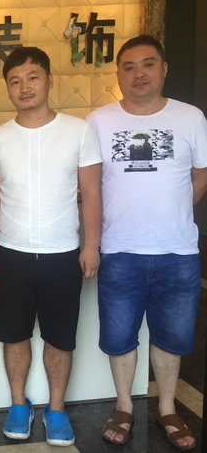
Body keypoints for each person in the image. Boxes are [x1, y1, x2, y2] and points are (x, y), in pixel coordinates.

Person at [87, 35, 207, 450]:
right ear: (118, 74)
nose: (139, 73)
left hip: (177, 251)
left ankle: (168, 408)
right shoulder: (98, 121)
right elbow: (90, 184)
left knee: (171, 337)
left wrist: (172, 210)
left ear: (164, 69)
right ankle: (124, 406)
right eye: (129, 66)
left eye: (148, 64)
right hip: (119, 249)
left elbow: (200, 175)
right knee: (119, 336)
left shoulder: (190, 117)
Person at [0, 46, 102, 447]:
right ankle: (19, 405)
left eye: (32, 77)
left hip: (63, 253)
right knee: (13, 336)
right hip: (11, 254)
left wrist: (91, 246)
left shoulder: (79, 130)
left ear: (49, 80)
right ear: (7, 88)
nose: (24, 87)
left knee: (59, 338)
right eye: (15, 81)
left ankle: (57, 410)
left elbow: (91, 191)